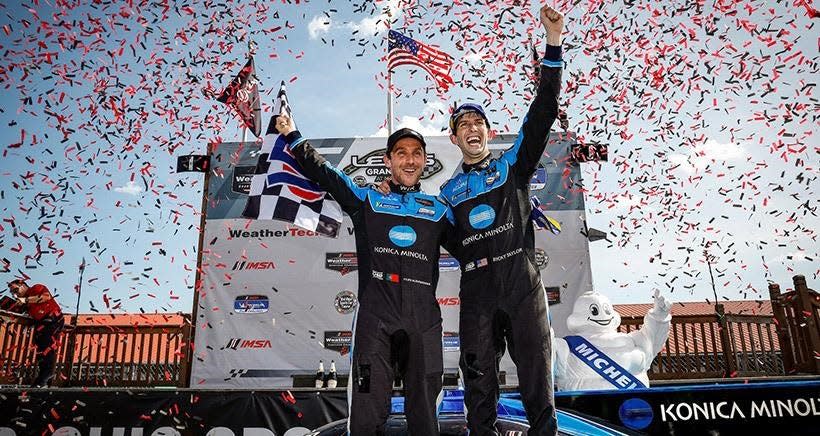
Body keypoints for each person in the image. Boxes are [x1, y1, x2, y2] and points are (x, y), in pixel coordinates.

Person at [275, 113, 455, 435]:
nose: (410, 160)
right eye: (401, 153)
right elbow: (326, 175)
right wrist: (293, 135)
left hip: (424, 322)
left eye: (416, 153)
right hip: (376, 321)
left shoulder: (439, 209)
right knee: (366, 415)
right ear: (388, 160)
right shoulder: (367, 200)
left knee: (426, 419)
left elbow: (477, 246)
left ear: (425, 160)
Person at [437, 5, 565, 435]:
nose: (471, 128)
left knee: (536, 383)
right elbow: (443, 239)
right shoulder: (446, 195)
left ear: (488, 132)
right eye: (463, 124)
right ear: (454, 138)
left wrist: (553, 41)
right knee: (478, 388)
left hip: (521, 284)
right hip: (476, 293)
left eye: (479, 122)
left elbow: (544, 110)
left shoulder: (512, 167)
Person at [8, 279, 65, 387]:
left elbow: (45, 297)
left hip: (53, 320)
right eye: (13, 293)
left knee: (47, 346)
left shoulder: (36, 288)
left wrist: (25, 300)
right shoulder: (27, 304)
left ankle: (47, 375)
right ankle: (44, 378)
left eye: (16, 290)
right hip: (41, 325)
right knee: (41, 349)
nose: (15, 294)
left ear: (22, 284)